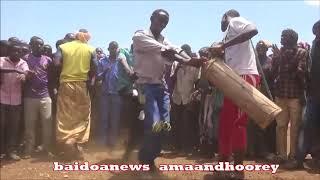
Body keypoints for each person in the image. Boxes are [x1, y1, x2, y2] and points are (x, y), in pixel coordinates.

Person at [133, 9, 206, 172]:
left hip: (161, 87)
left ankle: (149, 156)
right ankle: (146, 159)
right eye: (160, 20)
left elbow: (176, 49)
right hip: (145, 86)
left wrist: (191, 60)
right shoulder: (140, 36)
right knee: (154, 124)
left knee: (164, 126)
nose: (163, 24)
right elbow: (167, 51)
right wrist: (189, 61)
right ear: (151, 18)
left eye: (165, 22)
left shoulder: (164, 39)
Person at [211, 9, 260, 179]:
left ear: (225, 16)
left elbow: (253, 29)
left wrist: (223, 46)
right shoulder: (229, 35)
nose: (222, 25)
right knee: (226, 123)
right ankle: (224, 162)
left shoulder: (234, 21)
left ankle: (238, 170)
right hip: (234, 78)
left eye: (221, 21)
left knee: (238, 123)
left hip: (245, 76)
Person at [54, 29, 97, 159]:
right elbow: (95, 68)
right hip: (82, 85)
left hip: (66, 84)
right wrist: (91, 80)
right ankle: (74, 141)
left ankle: (69, 141)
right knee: (83, 115)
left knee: (65, 115)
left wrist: (66, 67)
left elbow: (56, 63)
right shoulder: (90, 49)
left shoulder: (62, 47)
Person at [270, 29, 308, 166]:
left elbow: (299, 72)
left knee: (294, 128)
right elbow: (273, 73)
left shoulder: (302, 53)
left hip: (295, 96)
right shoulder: (279, 53)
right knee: (280, 126)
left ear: (291, 38)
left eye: (284, 36)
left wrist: (282, 58)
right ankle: (282, 155)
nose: (281, 38)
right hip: (280, 94)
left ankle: (293, 157)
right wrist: (275, 60)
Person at [286, 20, 320, 169]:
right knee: (306, 126)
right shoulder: (313, 46)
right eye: (316, 31)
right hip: (313, 94)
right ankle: (299, 159)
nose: (317, 33)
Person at [96, 41, 132, 149]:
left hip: (117, 93)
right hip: (105, 94)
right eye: (112, 48)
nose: (114, 50)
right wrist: (105, 71)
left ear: (118, 49)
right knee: (104, 119)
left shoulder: (122, 60)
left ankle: (112, 143)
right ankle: (102, 143)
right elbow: (98, 77)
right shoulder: (102, 61)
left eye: (116, 48)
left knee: (115, 119)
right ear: (108, 49)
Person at [23, 37, 53, 158]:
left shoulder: (48, 59)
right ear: (31, 45)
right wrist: (27, 75)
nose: (39, 47)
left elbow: (51, 77)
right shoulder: (25, 59)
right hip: (29, 97)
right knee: (29, 125)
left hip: (45, 96)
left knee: (47, 124)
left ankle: (46, 148)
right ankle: (28, 150)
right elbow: (22, 77)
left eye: (41, 44)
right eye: (36, 44)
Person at [247, 40, 276, 159]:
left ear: (266, 49)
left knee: (266, 124)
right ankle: (252, 150)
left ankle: (266, 150)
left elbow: (274, 76)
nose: (259, 48)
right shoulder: (252, 62)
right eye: (258, 47)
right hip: (253, 95)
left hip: (266, 96)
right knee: (252, 124)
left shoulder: (270, 61)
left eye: (262, 47)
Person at [0, 41, 29, 160]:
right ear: (9, 51)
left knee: (13, 126)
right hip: (2, 98)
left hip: (16, 100)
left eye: (19, 51)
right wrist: (15, 71)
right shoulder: (1, 60)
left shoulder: (23, 62)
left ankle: (11, 151)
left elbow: (27, 73)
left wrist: (24, 75)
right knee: (1, 126)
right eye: (14, 50)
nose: (16, 52)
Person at [171, 44, 200, 153]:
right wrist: (177, 68)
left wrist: (194, 98)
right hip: (177, 97)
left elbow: (197, 82)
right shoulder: (175, 63)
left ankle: (188, 146)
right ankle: (176, 145)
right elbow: (172, 80)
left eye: (187, 53)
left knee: (188, 123)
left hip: (189, 98)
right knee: (176, 123)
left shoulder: (195, 66)